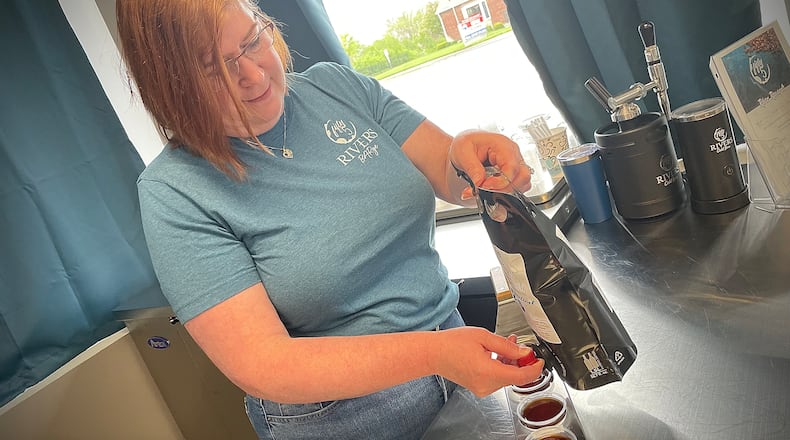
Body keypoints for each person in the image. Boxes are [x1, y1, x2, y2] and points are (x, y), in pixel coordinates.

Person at [117, 0, 543, 438]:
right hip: (342, 417)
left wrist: (469, 153)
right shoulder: (176, 191)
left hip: (454, 353)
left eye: (252, 42)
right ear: (171, 87)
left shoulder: (335, 88)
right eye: (215, 70)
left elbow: (447, 170)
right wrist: (434, 353)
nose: (255, 75)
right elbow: (264, 364)